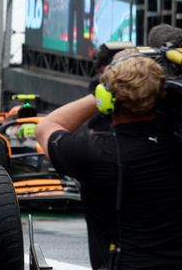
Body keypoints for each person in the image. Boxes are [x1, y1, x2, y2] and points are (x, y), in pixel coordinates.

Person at [36, 55, 182, 269]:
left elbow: (47, 126)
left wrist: (99, 94)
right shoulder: (175, 145)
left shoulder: (94, 154)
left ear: (106, 100)